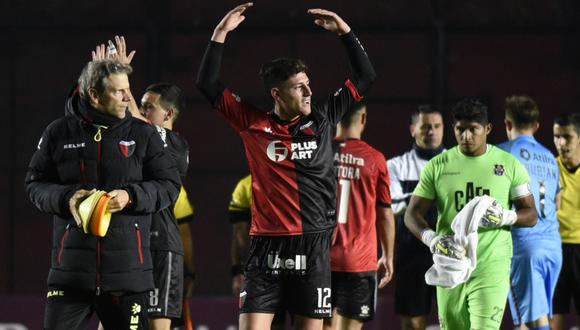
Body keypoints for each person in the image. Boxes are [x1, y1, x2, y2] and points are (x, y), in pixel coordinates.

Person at [196, 3, 375, 329]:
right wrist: (219, 34)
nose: (309, 92)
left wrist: (345, 33)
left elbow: (366, 76)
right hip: (266, 250)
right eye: (299, 87)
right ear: (277, 94)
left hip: (313, 245)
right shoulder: (252, 122)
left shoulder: (323, 119)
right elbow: (207, 84)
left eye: (308, 84)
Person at [25, 58, 180, 329]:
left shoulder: (143, 134)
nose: (127, 98)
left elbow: (169, 185)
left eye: (127, 90)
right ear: (94, 95)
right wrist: (66, 198)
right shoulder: (58, 132)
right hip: (70, 277)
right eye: (118, 91)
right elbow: (35, 184)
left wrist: (130, 196)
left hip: (128, 279)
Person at [404, 98, 537, 330]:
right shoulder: (438, 165)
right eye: (460, 129)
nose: (465, 136)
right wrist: (432, 239)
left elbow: (531, 214)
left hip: (491, 267)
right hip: (450, 264)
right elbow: (412, 214)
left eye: (473, 129)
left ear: (487, 129)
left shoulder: (508, 164)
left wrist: (507, 216)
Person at [92, 39, 196, 330]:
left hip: (160, 248)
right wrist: (103, 76)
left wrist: (122, 77)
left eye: (148, 107)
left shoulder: (175, 145)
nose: (139, 109)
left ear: (168, 115)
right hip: (126, 246)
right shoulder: (133, 140)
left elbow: (135, 119)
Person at [323, 102, 395, 330]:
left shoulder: (317, 154)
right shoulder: (375, 159)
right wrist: (388, 255)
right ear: (363, 118)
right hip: (359, 261)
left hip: (319, 261)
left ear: (334, 118)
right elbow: (384, 213)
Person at [497, 95, 561, 330]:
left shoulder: (501, 154)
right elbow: (558, 201)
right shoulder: (551, 159)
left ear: (507, 124)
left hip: (524, 247)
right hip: (553, 247)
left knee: (536, 322)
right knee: (527, 320)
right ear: (536, 126)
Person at [388, 105, 444, 330]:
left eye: (437, 126)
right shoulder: (395, 166)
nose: (431, 131)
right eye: (425, 127)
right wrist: (435, 198)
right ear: (413, 130)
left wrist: (416, 202)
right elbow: (395, 207)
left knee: (454, 320)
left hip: (448, 252)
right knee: (412, 323)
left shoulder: (457, 164)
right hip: (411, 253)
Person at [551, 113, 580, 330]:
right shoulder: (548, 168)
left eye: (567, 137)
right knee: (555, 312)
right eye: (556, 137)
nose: (561, 143)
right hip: (555, 248)